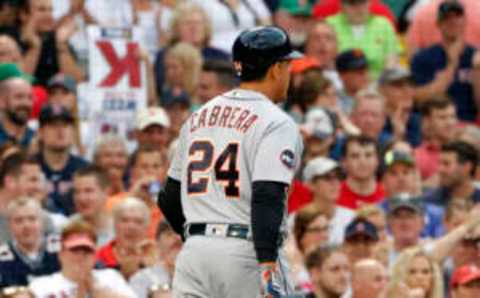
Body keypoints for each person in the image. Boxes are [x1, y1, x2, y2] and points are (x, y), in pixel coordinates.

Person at [158, 26, 303, 297]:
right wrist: (267, 263)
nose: (289, 72)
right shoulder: (275, 121)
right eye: (287, 65)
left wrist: (203, 239)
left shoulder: (198, 116)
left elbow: (168, 199)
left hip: (194, 254)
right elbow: (267, 195)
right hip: (245, 252)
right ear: (275, 69)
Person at [411, 0, 480, 122]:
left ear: (464, 21)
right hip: (434, 123)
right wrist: (452, 64)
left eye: (457, 17)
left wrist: (478, 72)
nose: (453, 21)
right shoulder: (424, 58)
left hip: (468, 122)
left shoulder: (475, 56)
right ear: (439, 23)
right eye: (447, 18)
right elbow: (417, 98)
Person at [29, 218, 136, 297]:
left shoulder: (110, 278)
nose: (80, 256)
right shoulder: (41, 286)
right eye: (74, 250)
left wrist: (97, 291)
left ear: (95, 256)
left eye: (87, 251)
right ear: (61, 254)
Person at [36, 104, 89, 215]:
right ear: (40, 132)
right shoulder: (29, 167)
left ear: (73, 131)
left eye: (65, 125)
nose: (60, 131)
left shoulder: (85, 169)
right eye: (53, 125)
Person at [326, 0, 400, 78]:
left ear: (369, 3)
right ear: (342, 6)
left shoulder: (383, 24)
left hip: (378, 82)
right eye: (352, 4)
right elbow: (325, 60)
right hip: (339, 81)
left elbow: (392, 59)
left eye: (362, 3)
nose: (358, 8)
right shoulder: (330, 24)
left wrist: (380, 84)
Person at [0, 198, 60, 288]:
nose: (26, 226)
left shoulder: (62, 248)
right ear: (10, 225)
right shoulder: (2, 257)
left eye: (32, 219)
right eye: (18, 220)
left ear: (41, 221)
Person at [302, 157, 355, 244]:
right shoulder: (295, 221)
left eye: (338, 177)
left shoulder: (352, 218)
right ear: (311, 184)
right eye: (327, 178)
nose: (335, 183)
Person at [96, 197, 153, 280]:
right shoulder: (98, 257)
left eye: (138, 221)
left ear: (147, 228)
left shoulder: (156, 259)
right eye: (125, 220)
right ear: (114, 225)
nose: (131, 227)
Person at [129, 220, 182, 298]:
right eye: (169, 234)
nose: (177, 238)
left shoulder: (201, 277)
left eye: (182, 234)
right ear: (157, 243)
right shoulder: (141, 279)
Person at [424, 140, 480, 207]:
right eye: (439, 163)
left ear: (467, 167)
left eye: (446, 164)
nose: (440, 169)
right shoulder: (429, 200)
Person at [415, 98, 458, 183]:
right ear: (427, 121)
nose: (450, 123)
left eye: (452, 116)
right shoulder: (417, 157)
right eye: (442, 118)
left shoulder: (468, 149)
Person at [336, 135, 384, 210]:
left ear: (377, 160)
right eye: (355, 156)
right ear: (343, 162)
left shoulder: (388, 195)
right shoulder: (332, 196)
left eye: (368, 155)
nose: (362, 162)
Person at [378, 67, 422, 147]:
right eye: (398, 85)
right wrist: (398, 135)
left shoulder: (419, 120)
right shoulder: (373, 121)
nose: (407, 90)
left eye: (411, 85)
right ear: (382, 90)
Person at [72, 166, 114, 246]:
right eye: (77, 192)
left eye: (88, 191)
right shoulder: (65, 229)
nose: (81, 198)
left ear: (106, 192)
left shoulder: (119, 231)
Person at [0, 64, 34, 149]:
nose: (26, 103)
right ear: (1, 101)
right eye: (19, 97)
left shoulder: (39, 138)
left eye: (30, 97)